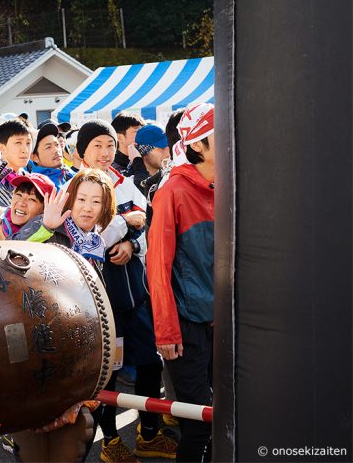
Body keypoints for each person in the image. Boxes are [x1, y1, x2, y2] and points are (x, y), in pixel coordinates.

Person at [75, 119, 177, 461]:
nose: (105, 153)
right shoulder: (75, 188)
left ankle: (148, 433)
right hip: (100, 304)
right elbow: (84, 242)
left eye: (108, 145)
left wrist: (132, 245)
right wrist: (123, 226)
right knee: (109, 375)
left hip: (135, 294)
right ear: (81, 153)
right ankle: (111, 442)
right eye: (96, 147)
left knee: (149, 363)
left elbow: (144, 225)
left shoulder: (126, 183)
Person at [147, 103, 215, 462]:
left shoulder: (229, 183)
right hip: (187, 327)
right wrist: (168, 333)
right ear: (199, 144)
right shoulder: (172, 191)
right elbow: (157, 270)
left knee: (235, 414)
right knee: (197, 424)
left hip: (223, 322)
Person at [12, 168, 115, 277]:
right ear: (70, 200)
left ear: (105, 207)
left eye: (96, 201)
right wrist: (46, 227)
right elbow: (8, 250)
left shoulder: (96, 243)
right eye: (81, 199)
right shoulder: (48, 222)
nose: (87, 208)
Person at [0, 118, 33, 206]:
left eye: (28, 143)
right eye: (18, 142)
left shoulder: (26, 175)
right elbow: (12, 212)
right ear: (2, 147)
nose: (25, 150)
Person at [29, 121, 76, 188]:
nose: (56, 150)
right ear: (35, 157)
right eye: (48, 147)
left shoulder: (67, 172)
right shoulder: (37, 187)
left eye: (57, 145)